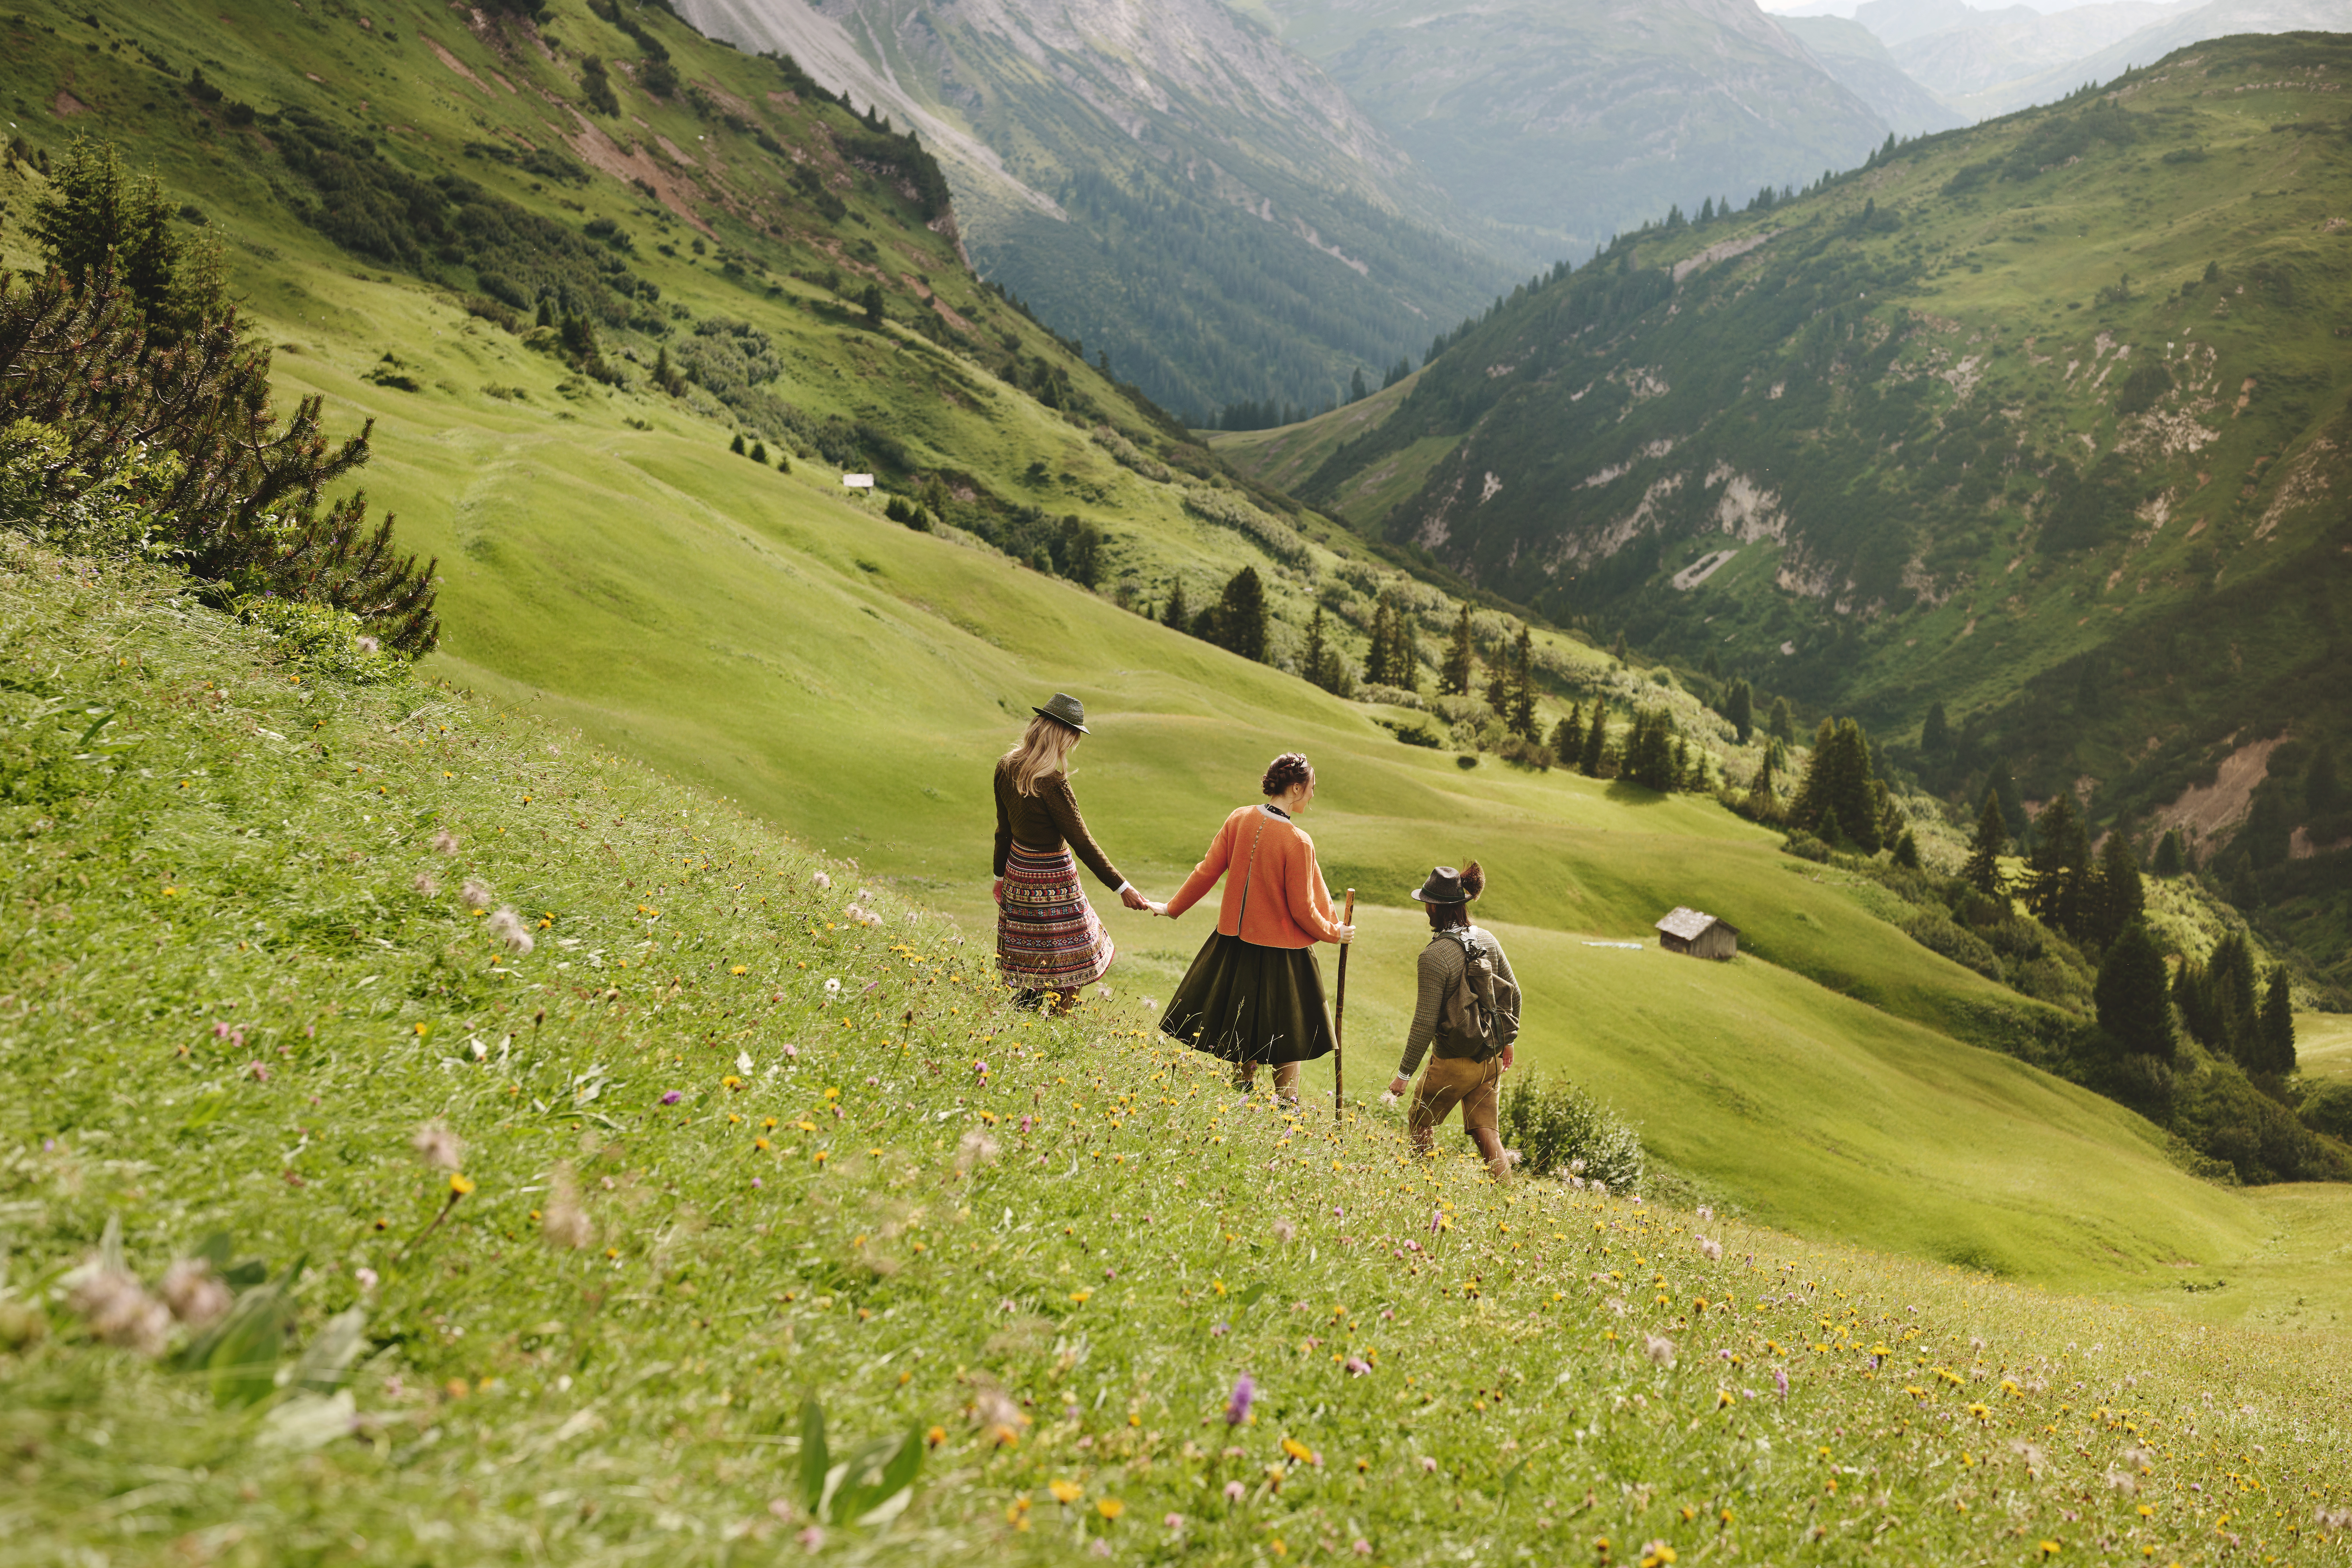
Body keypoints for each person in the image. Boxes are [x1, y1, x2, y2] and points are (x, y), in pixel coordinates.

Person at [1156, 753, 1355, 1103]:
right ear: (1296, 788)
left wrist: (1173, 908)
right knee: (1289, 1030)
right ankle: (1287, 1108)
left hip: (1234, 945)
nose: (1313, 795)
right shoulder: (1298, 840)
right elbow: (1303, 908)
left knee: (1243, 1023)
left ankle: (1241, 1095)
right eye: (1312, 788)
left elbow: (1207, 871)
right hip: (1283, 954)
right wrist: (1333, 932)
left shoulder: (1239, 818)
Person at [992, 693, 1152, 1012]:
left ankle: (1021, 1021)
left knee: (1032, 960)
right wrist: (1122, 886)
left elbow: (1003, 829)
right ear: (1066, 736)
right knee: (1074, 957)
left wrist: (999, 875)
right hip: (1054, 880)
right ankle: (1055, 1031)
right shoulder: (1052, 782)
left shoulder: (1006, 766)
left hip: (1019, 873)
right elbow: (1082, 841)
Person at [1385, 863, 1521, 1181]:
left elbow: (1424, 1022)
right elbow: (1514, 993)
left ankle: (1423, 1183)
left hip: (1452, 1062)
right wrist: (1508, 1041)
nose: (1426, 910)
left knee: (1421, 1121)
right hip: (1489, 1058)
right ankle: (1504, 1196)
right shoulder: (1487, 939)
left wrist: (1404, 1075)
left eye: (1427, 904)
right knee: (1487, 1131)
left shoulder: (1434, 956)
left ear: (1436, 907)